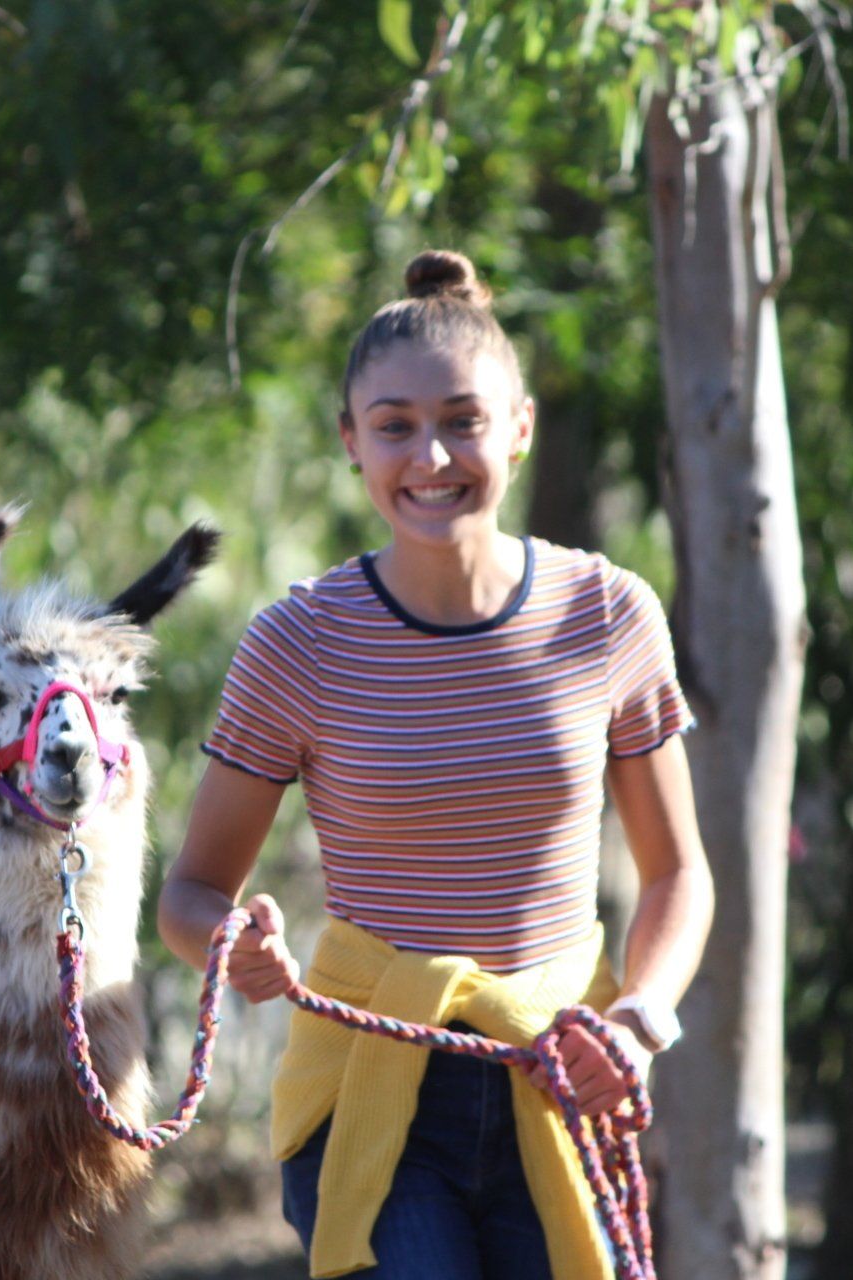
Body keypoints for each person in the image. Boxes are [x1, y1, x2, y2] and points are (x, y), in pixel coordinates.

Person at [157, 249, 714, 1280]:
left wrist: (639, 1021)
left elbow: (680, 872)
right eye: (394, 426)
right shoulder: (299, 641)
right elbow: (190, 893)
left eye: (463, 418)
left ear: (520, 426)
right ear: (350, 441)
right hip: (374, 1089)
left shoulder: (608, 612)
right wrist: (231, 945)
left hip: (560, 1075)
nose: (432, 455)